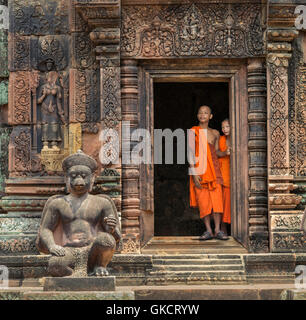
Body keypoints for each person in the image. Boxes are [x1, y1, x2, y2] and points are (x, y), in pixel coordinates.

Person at [36, 150, 121, 277]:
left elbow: (117, 237)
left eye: (83, 175)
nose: (79, 180)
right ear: (67, 178)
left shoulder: (102, 202)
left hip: (93, 250)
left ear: (92, 178)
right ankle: (76, 274)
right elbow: (45, 229)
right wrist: (52, 246)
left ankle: (100, 266)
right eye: (74, 176)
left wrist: (112, 229)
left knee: (106, 240)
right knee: (55, 264)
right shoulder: (57, 203)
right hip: (68, 251)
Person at [189, 105, 229, 240]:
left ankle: (217, 230)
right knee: (203, 201)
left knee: (217, 201)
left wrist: (225, 153)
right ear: (197, 116)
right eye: (200, 113)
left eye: (206, 113)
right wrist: (194, 174)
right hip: (199, 171)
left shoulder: (215, 133)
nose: (202, 115)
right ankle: (208, 230)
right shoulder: (193, 132)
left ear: (210, 116)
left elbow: (216, 152)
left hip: (214, 170)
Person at [218, 119, 231, 236]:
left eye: (227, 126)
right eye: (223, 127)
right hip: (223, 174)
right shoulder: (221, 139)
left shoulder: (237, 138)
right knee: (223, 203)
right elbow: (216, 153)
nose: (225, 129)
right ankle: (223, 227)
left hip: (233, 175)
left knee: (229, 202)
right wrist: (225, 153)